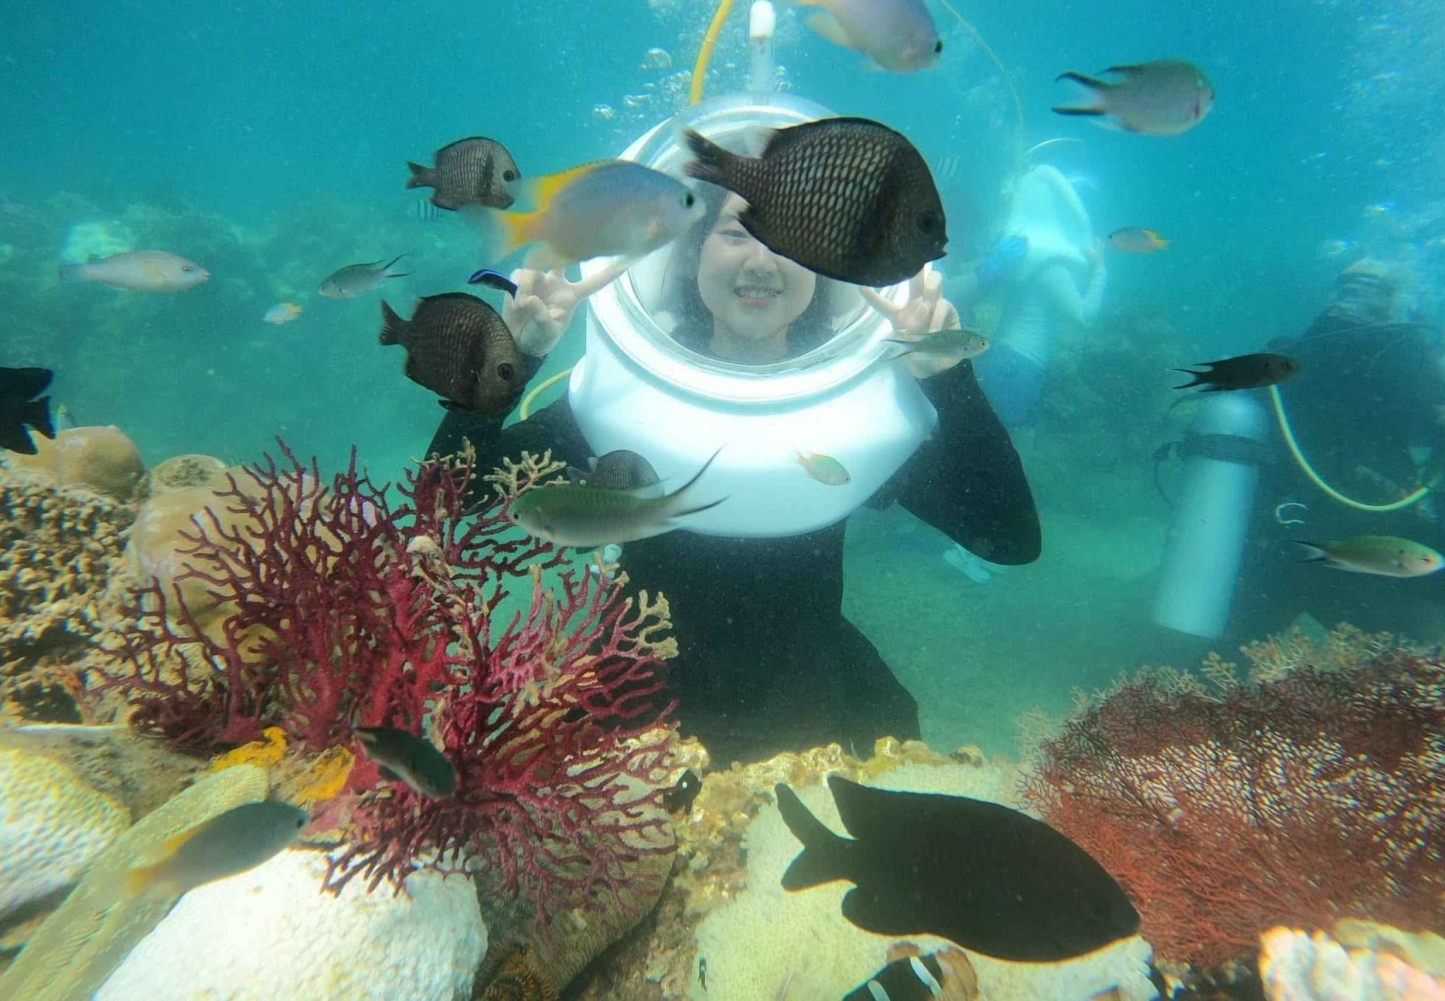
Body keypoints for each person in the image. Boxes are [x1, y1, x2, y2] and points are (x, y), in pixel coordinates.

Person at [429, 179, 1039, 766]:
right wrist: (515, 357)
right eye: (736, 233)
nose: (762, 261)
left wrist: (949, 377)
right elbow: (444, 500)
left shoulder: (852, 410)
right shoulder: (628, 398)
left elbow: (1008, 538)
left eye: (794, 238)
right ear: (693, 254)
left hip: (806, 690)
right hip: (631, 690)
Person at [1224, 257, 1445, 640]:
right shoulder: (1404, 355)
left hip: (1274, 537)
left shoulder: (1293, 352)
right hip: (1370, 545)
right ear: (1397, 302)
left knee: (1236, 649)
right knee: (1406, 655)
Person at [950, 165, 1107, 429]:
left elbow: (980, 284)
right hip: (1021, 366)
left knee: (968, 429)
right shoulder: (1054, 267)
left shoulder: (1024, 254)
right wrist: (1101, 270)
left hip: (997, 357)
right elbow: (1082, 315)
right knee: (989, 436)